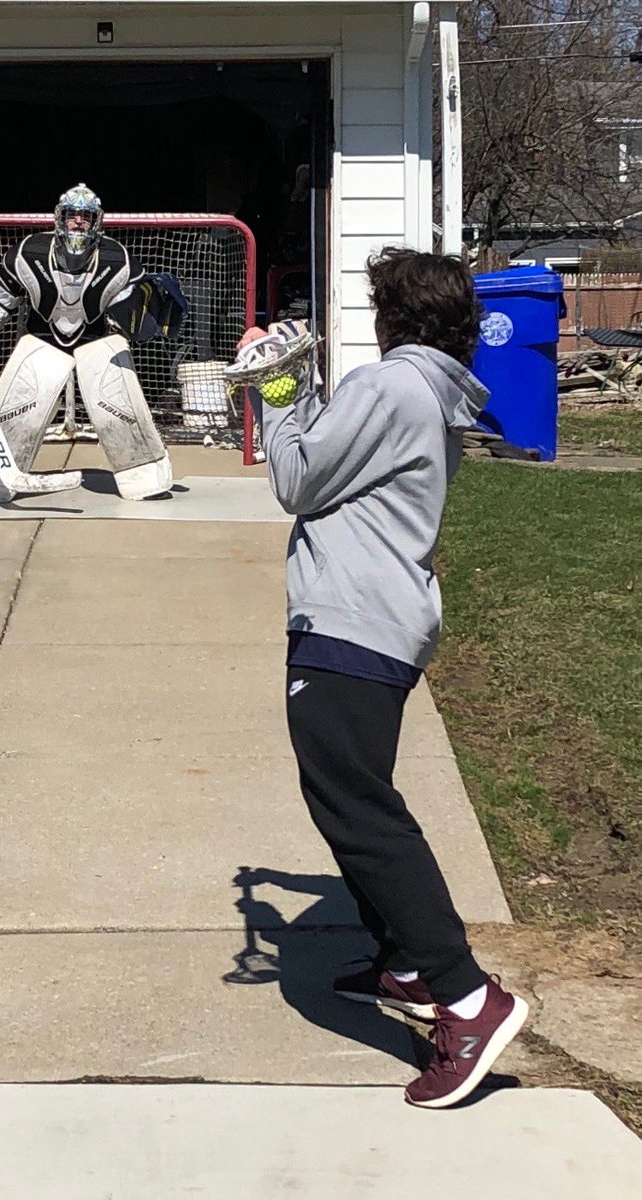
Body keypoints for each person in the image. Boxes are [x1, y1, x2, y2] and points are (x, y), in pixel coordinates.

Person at [235, 248, 528, 1110]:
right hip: (379, 615)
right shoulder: (428, 389)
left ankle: (467, 997)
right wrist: (299, 395)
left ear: (390, 318)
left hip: (352, 620)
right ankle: (402, 964)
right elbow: (339, 469)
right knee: (351, 793)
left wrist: (278, 391)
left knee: (357, 806)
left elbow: (296, 479)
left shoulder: (391, 384)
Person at [0, 183, 183, 502]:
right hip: (41, 344)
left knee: (115, 398)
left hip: (97, 345)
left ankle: (144, 472)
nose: (78, 222)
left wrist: (146, 303)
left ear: (97, 221)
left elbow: (137, 312)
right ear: (59, 218)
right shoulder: (29, 252)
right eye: (72, 215)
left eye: (86, 216)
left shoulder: (118, 259)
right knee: (21, 403)